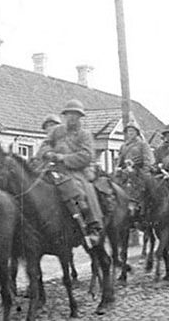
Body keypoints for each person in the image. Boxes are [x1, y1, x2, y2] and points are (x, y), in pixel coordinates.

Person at [38, 99, 103, 247]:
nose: (71, 117)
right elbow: (45, 145)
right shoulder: (56, 131)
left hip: (76, 170)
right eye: (69, 114)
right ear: (65, 116)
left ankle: (92, 225)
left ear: (80, 117)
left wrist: (64, 158)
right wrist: (48, 153)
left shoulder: (85, 134)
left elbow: (86, 156)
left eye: (75, 115)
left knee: (80, 189)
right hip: (54, 168)